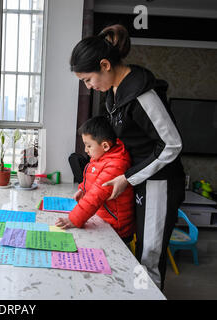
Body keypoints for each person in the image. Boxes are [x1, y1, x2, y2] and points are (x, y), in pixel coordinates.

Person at [69, 24, 185, 291]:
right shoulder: (115, 94)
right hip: (136, 178)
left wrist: (128, 178)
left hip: (160, 182)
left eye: (88, 79)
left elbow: (172, 144)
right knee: (135, 248)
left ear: (105, 65)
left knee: (148, 256)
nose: (89, 86)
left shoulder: (143, 93)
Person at [56, 116, 135, 243]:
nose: (85, 150)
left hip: (116, 229)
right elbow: (92, 179)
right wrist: (83, 189)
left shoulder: (116, 165)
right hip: (102, 218)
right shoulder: (102, 156)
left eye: (88, 145)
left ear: (105, 146)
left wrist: (74, 219)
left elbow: (96, 195)